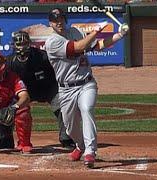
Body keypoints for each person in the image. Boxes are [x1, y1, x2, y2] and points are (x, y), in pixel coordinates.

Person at [45, 8, 129, 168]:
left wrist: (120, 35)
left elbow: (97, 46)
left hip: (86, 83)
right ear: (50, 23)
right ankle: (80, 145)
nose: (59, 22)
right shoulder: (52, 42)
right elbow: (77, 47)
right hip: (66, 89)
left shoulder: (75, 31)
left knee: (86, 109)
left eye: (61, 19)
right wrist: (96, 30)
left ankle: (90, 152)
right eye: (55, 20)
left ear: (65, 19)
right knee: (70, 128)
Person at [0, 30, 75, 150]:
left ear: (30, 43)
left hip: (48, 87)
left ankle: (67, 138)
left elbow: (58, 70)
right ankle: (5, 139)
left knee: (62, 104)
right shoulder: (9, 62)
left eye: (24, 43)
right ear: (13, 45)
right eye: (19, 44)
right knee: (6, 106)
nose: (22, 47)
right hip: (23, 91)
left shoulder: (42, 56)